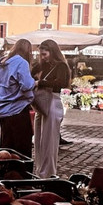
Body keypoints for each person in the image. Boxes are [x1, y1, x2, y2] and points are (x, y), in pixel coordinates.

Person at [0, 39, 36, 157]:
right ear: (28, 51)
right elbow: (27, 85)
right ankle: (19, 173)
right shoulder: (22, 62)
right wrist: (35, 82)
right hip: (17, 109)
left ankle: (5, 170)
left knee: (6, 145)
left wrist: (6, 85)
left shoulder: (3, 61)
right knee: (21, 148)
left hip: (2, 109)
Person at [31, 39, 71, 178]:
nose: (42, 57)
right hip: (41, 103)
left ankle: (48, 173)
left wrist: (40, 82)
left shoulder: (61, 66)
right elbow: (29, 74)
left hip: (52, 101)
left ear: (52, 52)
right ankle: (39, 170)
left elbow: (62, 83)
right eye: (41, 54)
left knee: (50, 141)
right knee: (39, 140)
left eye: (45, 54)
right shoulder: (42, 65)